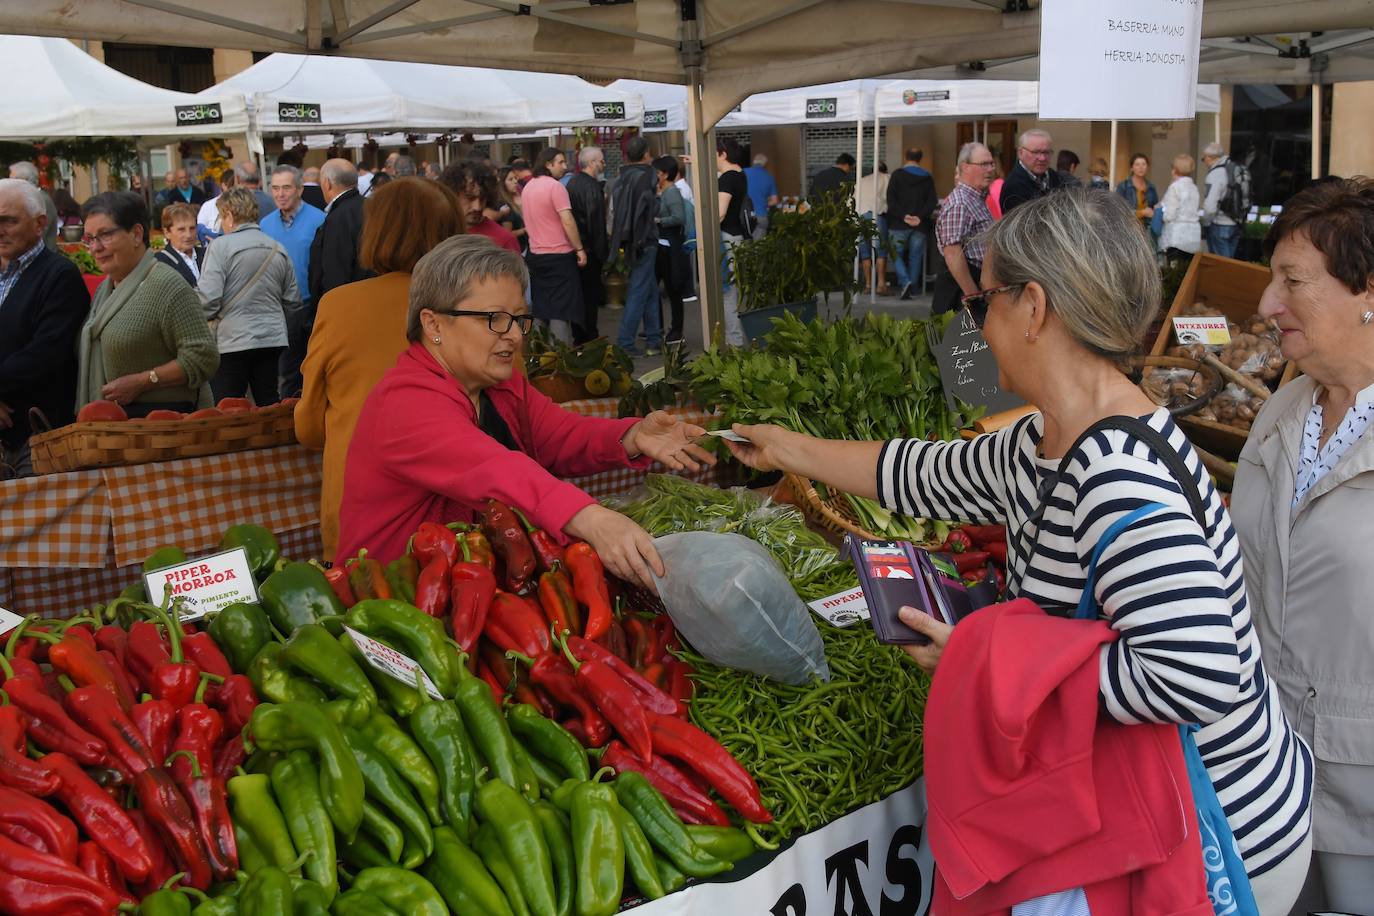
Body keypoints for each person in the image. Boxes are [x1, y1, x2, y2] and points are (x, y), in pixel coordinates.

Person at [726, 188, 1314, 915]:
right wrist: (783, 448)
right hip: (1156, 823)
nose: (977, 322)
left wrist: (988, 667)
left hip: (1214, 841)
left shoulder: (1114, 471)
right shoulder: (1050, 436)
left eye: (989, 300)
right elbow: (916, 473)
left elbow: (1197, 677)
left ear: (1034, 307)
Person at [335, 234, 715, 585]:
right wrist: (591, 518)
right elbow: (494, 470)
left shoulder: (498, 386)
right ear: (434, 323)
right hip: (389, 596)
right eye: (495, 319)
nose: (515, 336)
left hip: (466, 583)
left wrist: (632, 436)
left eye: (519, 319)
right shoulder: (405, 402)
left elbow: (560, 435)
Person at [1231, 178, 1374, 913]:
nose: (1267, 305)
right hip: (1260, 786)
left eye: (1292, 282)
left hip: (1362, 811)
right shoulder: (1284, 410)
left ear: (1368, 291)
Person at [296, 178, 464, 559]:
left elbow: (309, 428)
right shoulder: (480, 307)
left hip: (361, 514)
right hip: (458, 515)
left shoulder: (340, 305)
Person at [75, 191, 218, 417]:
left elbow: (203, 357)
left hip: (162, 427)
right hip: (118, 427)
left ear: (136, 234)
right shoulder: (106, 289)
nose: (95, 247)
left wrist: (143, 381)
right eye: (90, 238)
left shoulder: (168, 286)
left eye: (104, 235)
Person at [0, 178, 90, 478]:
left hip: (38, 436)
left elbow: (45, 353)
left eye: (8, 221)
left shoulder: (59, 275)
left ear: (40, 224)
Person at [197, 188, 298, 406]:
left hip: (232, 340)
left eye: (221, 217)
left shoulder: (220, 247)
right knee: (268, 400)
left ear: (230, 217)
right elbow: (293, 301)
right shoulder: (277, 247)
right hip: (272, 337)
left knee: (228, 404)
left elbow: (208, 299)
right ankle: (271, 440)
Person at [260, 164, 326, 399]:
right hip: (275, 308)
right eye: (275, 188)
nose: (280, 194)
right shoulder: (265, 225)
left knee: (313, 369)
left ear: (299, 189)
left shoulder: (320, 220)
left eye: (286, 187)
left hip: (310, 307)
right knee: (284, 372)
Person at [522, 148, 586, 345]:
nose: (565, 166)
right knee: (561, 309)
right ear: (548, 164)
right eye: (560, 162)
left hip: (535, 255)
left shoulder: (528, 188)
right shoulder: (556, 187)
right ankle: (560, 357)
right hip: (559, 256)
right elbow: (567, 219)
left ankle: (537, 353)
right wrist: (579, 248)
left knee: (541, 308)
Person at [932, 142, 996, 315]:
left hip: (974, 284)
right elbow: (952, 252)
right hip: (959, 291)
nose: (990, 169)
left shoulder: (975, 198)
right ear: (965, 167)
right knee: (956, 341)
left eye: (991, 163)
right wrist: (972, 295)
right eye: (984, 164)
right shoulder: (960, 203)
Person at [612, 137, 661, 357]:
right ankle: (626, 342)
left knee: (649, 290)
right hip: (644, 240)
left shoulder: (620, 178)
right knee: (639, 290)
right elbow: (651, 207)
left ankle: (653, 339)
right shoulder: (647, 175)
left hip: (627, 239)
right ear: (645, 154)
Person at [309, 158, 371, 304]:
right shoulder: (371, 207)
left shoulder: (337, 218)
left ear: (327, 183)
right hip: (372, 296)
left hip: (347, 303)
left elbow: (335, 271)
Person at [566, 146, 608, 343]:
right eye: (601, 161)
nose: (603, 164)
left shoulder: (572, 183)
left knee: (579, 297)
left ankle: (580, 337)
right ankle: (589, 339)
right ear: (591, 163)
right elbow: (596, 224)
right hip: (589, 252)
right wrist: (602, 256)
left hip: (575, 249)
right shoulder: (592, 187)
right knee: (589, 300)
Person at [886, 148, 937, 300]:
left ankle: (905, 281)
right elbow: (932, 202)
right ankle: (912, 287)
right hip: (920, 225)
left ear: (905, 156)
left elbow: (891, 200)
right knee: (915, 256)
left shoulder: (896, 175)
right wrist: (919, 217)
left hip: (898, 223)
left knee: (895, 253)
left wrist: (904, 216)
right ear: (920, 158)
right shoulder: (927, 177)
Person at [439, 160, 520, 253]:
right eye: (470, 198)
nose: (477, 207)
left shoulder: (504, 240)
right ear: (452, 195)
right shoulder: (436, 233)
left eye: (482, 199)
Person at [653, 156, 689, 346]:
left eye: (657, 173)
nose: (655, 176)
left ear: (666, 174)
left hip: (669, 248)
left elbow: (679, 218)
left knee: (673, 290)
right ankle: (658, 327)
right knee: (659, 288)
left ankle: (676, 330)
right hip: (663, 247)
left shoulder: (672, 192)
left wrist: (659, 221)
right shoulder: (664, 191)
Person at [717, 137, 749, 346]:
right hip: (737, 236)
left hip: (726, 237)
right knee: (733, 290)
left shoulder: (727, 178)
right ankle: (735, 338)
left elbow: (720, 213)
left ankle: (734, 341)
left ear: (723, 154)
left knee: (728, 292)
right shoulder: (740, 174)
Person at [999, 128, 1064, 215]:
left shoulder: (1054, 176)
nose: (1042, 158)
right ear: (1020, 153)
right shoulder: (1013, 186)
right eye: (1036, 152)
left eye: (1046, 152)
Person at [852, 162, 889, 296]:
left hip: (860, 217)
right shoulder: (886, 178)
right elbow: (890, 198)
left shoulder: (860, 181)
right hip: (876, 214)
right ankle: (881, 284)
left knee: (865, 252)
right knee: (881, 251)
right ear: (884, 171)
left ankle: (868, 284)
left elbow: (851, 201)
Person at [1156, 153, 1202, 259]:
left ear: (1175, 169)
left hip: (1176, 235)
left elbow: (1169, 215)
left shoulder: (1175, 187)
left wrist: (1160, 214)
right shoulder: (1193, 187)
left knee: (1174, 266)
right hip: (1193, 234)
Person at [1201, 142, 1242, 258]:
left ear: (1209, 157)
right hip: (1236, 223)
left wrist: (1205, 222)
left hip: (1219, 224)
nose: (1204, 162)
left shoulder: (1215, 174)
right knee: (1230, 263)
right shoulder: (1234, 168)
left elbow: (1210, 206)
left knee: (1221, 266)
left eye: (1203, 159)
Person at [8, 161, 58, 251]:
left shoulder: (40, 200)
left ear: (24, 180)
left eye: (12, 180)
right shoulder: (30, 198)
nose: (9, 184)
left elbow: (33, 236)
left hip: (42, 261)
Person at [154, 203, 207, 287]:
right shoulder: (160, 262)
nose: (188, 235)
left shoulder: (207, 254)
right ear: (167, 232)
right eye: (181, 230)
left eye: (192, 228)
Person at [1115, 153, 1158, 231]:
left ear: (1147, 167)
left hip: (1147, 230)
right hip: (1128, 230)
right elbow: (1118, 210)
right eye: (1137, 164)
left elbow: (1155, 208)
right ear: (1132, 168)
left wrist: (1154, 213)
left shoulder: (1151, 188)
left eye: (1143, 164)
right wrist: (1142, 213)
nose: (1141, 167)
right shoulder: (1123, 186)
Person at [744, 153, 779, 238]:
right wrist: (763, 203)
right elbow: (774, 201)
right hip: (761, 215)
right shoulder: (769, 177)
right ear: (765, 164)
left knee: (744, 247)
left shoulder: (744, 172)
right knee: (758, 247)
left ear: (753, 162)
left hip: (745, 216)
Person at [196, 167, 235, 239]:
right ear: (223, 185)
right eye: (232, 186)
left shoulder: (243, 205)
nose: (235, 190)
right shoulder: (208, 206)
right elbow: (200, 232)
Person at [497, 166, 528, 253]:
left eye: (515, 178)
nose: (515, 181)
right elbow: (507, 234)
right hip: (515, 250)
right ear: (503, 183)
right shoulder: (503, 205)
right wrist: (525, 230)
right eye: (510, 179)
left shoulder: (516, 198)